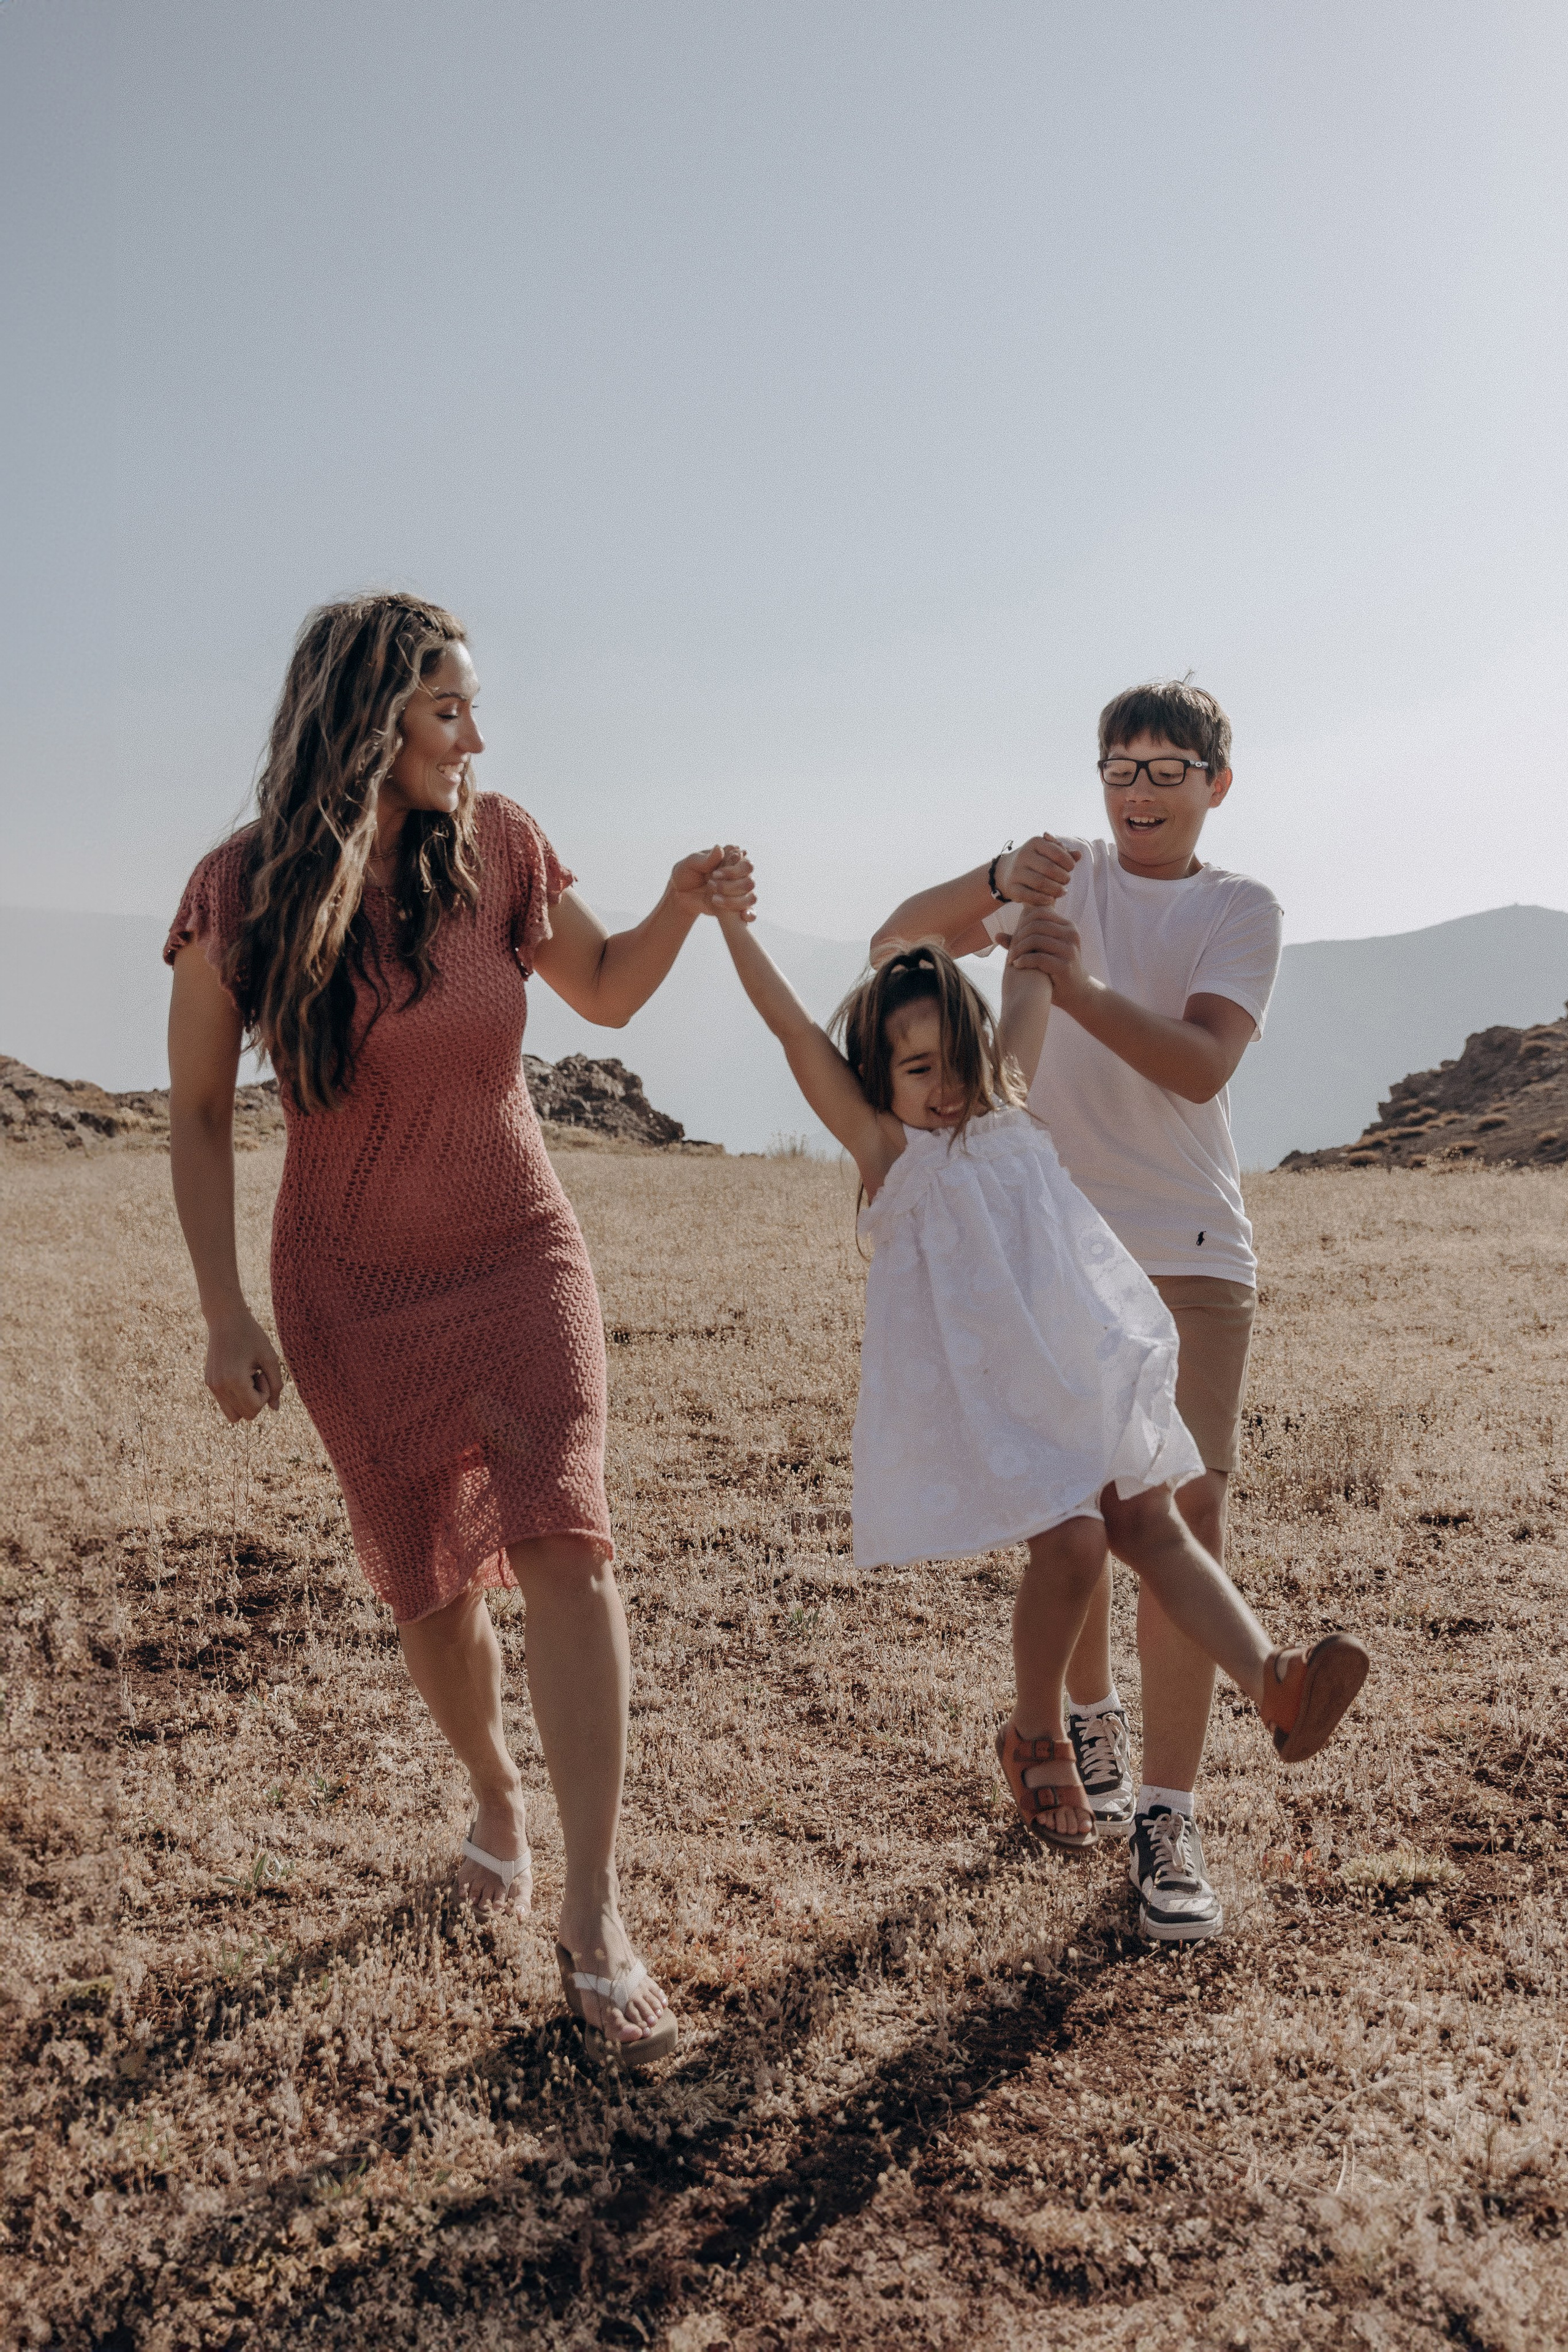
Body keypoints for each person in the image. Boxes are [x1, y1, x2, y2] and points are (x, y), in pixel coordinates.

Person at [164, 592, 754, 2065]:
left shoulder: (498, 847)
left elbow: (606, 993)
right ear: (366, 722)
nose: (475, 738)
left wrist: (678, 903)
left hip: (517, 1249)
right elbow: (188, 1112)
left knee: (566, 1542)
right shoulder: (240, 890)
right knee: (430, 1586)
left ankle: (596, 1912)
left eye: (473, 709)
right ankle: (492, 1788)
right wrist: (225, 1308)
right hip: (351, 1288)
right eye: (446, 711)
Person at [712, 897, 1368, 1849]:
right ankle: (1037, 1735)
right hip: (1001, 1402)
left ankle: (1278, 1684)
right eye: (917, 1069)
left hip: (1079, 1365)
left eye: (957, 1062)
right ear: (877, 1081)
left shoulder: (1008, 1102)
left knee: (1154, 1520)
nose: (946, 1087)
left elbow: (1025, 979)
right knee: (1072, 1548)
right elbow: (789, 1027)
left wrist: (1034, 892)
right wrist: (726, 922)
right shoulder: (890, 1153)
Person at [872, 677, 1282, 1943]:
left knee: (1181, 1509)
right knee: (1081, 1509)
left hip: (1190, 1243)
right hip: (1050, 1242)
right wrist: (1000, 872)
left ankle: (1166, 1814)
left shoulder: (1237, 908)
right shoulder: (1057, 888)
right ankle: (1084, 1723)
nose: (1140, 790)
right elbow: (895, 947)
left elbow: (1203, 1060)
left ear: (1216, 784)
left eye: (1167, 769)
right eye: (1119, 768)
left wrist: (1078, 988)